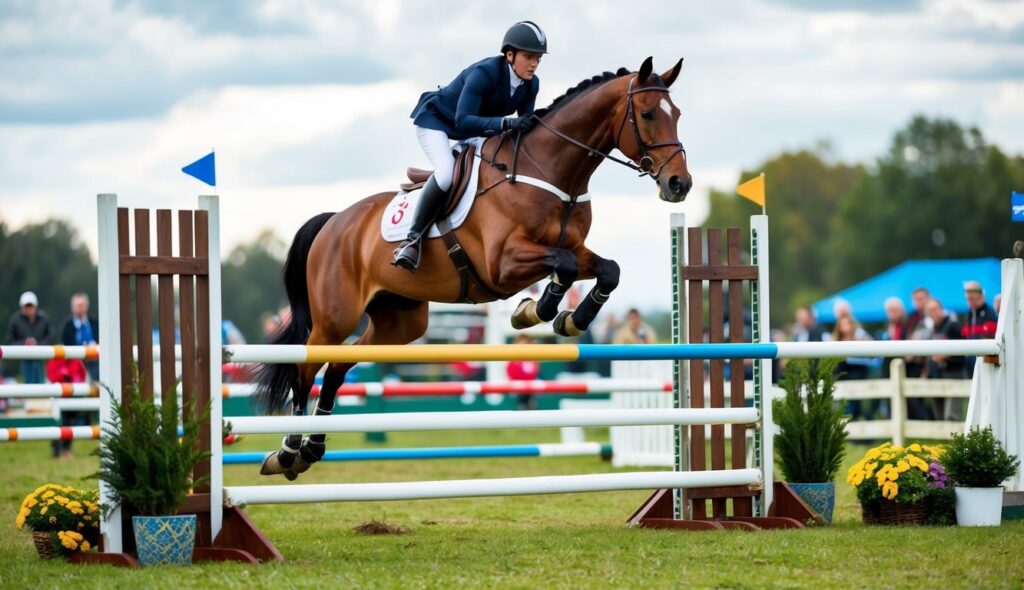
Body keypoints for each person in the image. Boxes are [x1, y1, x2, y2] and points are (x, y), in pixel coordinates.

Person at [393, 21, 546, 271]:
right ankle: (412, 240)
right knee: (445, 174)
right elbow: (462, 121)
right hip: (438, 122)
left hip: (477, 130)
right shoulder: (484, 73)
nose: (534, 64)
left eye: (538, 59)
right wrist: (508, 122)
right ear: (510, 54)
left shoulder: (532, 84)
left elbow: (523, 126)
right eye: (529, 57)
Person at [924, 297, 965, 420]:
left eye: (935, 309)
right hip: (936, 374)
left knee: (951, 416)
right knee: (939, 416)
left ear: (941, 309)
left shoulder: (953, 326)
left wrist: (945, 355)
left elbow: (963, 350)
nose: (933, 313)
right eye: (930, 311)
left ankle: (953, 439)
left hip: (953, 373)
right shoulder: (933, 330)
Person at [5, 291, 53, 384]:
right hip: (24, 358)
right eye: (26, 306)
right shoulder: (15, 320)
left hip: (40, 357)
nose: (29, 309)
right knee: (28, 383)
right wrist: (24, 343)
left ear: (35, 306)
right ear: (22, 307)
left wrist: (38, 344)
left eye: (30, 306)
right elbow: (9, 342)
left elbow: (50, 337)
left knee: (41, 384)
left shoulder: (44, 318)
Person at [960, 281, 997, 379]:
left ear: (980, 296)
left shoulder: (990, 313)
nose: (970, 301)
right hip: (970, 363)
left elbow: (990, 338)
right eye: (968, 299)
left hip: (984, 364)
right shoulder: (970, 314)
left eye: (972, 298)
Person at [61, 293, 99, 380]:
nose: (80, 308)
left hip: (95, 360)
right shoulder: (67, 326)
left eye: (82, 305)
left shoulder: (95, 323)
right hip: (75, 361)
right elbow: (66, 344)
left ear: (87, 306)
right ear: (73, 307)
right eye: (77, 305)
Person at [507, 334, 541, 410]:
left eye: (525, 343)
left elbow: (534, 371)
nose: (522, 345)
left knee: (531, 403)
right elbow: (511, 372)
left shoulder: (532, 358)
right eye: (520, 343)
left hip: (530, 388)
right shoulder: (513, 359)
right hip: (518, 388)